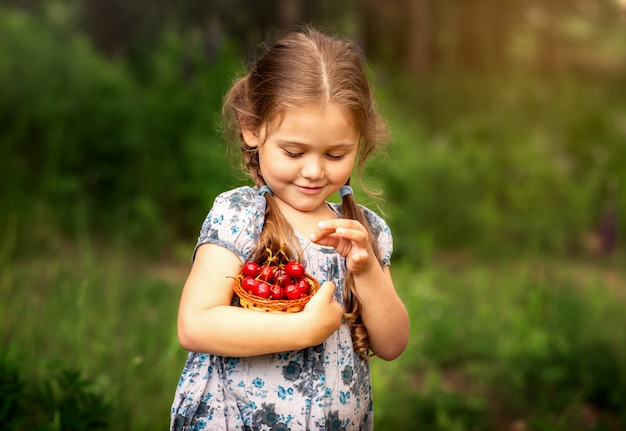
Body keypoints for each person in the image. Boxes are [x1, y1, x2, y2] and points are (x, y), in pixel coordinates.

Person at [170, 25, 410, 431]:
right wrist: (301, 329)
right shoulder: (241, 216)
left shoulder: (363, 230)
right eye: (294, 151)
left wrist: (367, 270)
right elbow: (195, 324)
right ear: (252, 128)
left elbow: (391, 344)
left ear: (360, 142)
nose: (314, 171)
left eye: (336, 154)